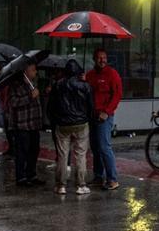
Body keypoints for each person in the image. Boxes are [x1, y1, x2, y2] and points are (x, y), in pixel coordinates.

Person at [47, 59, 94, 195]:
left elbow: (51, 107)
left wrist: (55, 121)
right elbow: (91, 106)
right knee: (80, 155)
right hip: (81, 124)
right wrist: (88, 120)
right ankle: (81, 185)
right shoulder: (85, 86)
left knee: (62, 155)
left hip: (62, 125)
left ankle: (61, 185)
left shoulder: (57, 85)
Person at [84, 48, 123, 191]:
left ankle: (112, 179)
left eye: (104, 57)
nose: (102, 60)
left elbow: (117, 95)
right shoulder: (90, 75)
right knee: (95, 148)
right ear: (94, 59)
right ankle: (98, 177)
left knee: (104, 147)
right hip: (92, 116)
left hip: (104, 117)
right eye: (99, 57)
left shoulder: (112, 74)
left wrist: (107, 112)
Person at [6, 62, 44, 186]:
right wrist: (29, 96)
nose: (35, 72)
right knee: (22, 151)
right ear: (25, 71)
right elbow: (13, 102)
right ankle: (21, 177)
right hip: (22, 125)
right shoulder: (16, 85)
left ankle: (31, 175)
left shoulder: (33, 83)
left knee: (34, 150)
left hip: (34, 124)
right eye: (33, 70)